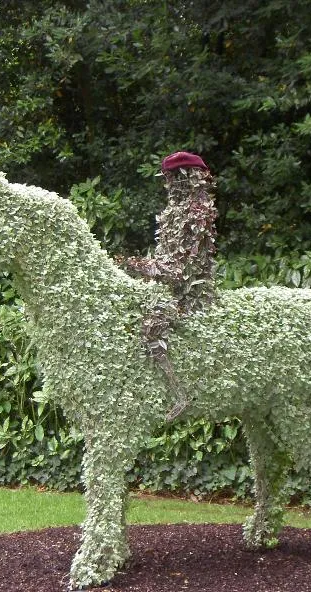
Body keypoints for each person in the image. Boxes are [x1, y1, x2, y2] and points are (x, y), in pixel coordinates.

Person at [122, 151, 218, 420]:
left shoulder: (197, 214)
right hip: (168, 285)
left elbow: (184, 271)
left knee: (152, 325)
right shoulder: (171, 214)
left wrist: (147, 267)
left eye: (177, 178)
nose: (172, 185)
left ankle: (180, 395)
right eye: (169, 179)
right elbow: (168, 259)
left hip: (191, 294)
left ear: (192, 178)